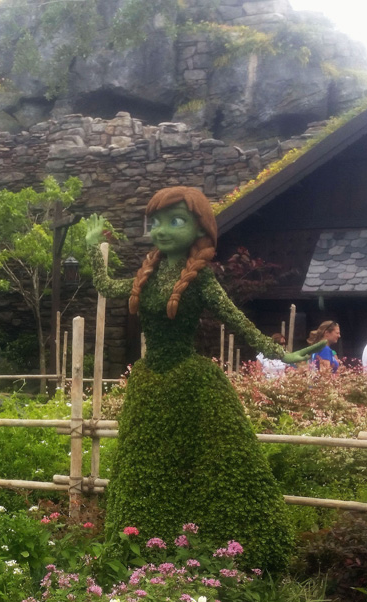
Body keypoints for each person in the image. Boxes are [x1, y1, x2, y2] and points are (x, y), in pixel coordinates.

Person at [82, 187, 325, 570]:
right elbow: (108, 287)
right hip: (151, 386)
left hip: (189, 382)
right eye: (156, 222)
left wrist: (280, 352)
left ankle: (220, 554)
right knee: (146, 466)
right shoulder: (148, 275)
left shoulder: (201, 280)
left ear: (200, 230)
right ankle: (142, 550)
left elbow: (237, 320)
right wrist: (93, 249)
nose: (162, 230)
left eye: (175, 221)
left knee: (204, 461)